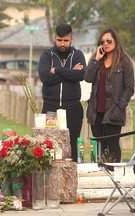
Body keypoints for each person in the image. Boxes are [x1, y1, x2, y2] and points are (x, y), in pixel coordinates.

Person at [84, 28, 134, 163]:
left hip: (114, 111)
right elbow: (88, 78)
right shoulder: (96, 59)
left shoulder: (124, 61)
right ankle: (100, 175)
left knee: (112, 145)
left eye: (108, 41)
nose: (105, 44)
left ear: (115, 41)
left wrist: (120, 106)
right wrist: (96, 60)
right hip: (96, 111)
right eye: (102, 42)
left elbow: (129, 88)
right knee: (100, 146)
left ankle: (115, 176)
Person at [38, 23, 86, 162]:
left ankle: (72, 177)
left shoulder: (78, 54)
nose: (62, 44)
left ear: (72, 39)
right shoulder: (47, 55)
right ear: (54, 38)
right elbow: (45, 77)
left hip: (73, 107)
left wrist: (57, 70)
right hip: (50, 107)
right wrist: (70, 72)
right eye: (59, 40)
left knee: (72, 145)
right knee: (49, 144)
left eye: (66, 40)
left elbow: (81, 75)